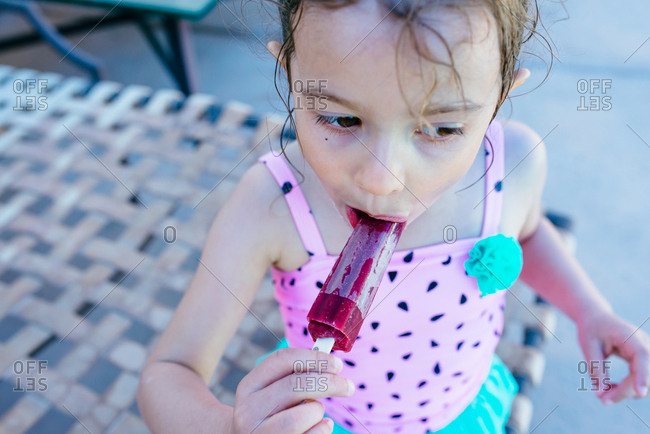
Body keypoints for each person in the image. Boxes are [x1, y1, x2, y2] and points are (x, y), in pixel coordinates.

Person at [136, 0, 650, 432]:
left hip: (462, 409)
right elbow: (169, 371)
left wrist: (590, 310)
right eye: (340, 118)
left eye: (443, 128)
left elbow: (529, 233)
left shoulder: (513, 163)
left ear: (499, 98)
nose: (383, 179)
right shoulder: (270, 206)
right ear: (289, 76)